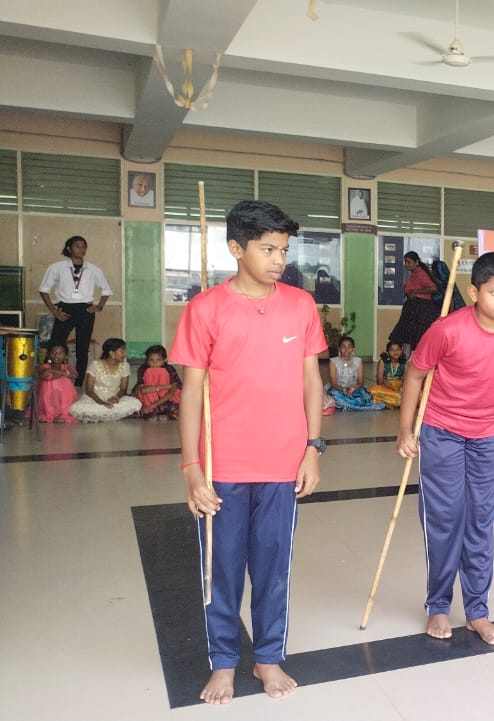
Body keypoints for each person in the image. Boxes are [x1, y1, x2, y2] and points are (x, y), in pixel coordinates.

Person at [170, 199, 327, 705]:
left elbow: (311, 381)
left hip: (283, 463)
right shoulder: (205, 309)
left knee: (273, 568)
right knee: (221, 567)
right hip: (223, 466)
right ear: (236, 249)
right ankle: (223, 662)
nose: (279, 259)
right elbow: (190, 394)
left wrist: (313, 447)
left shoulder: (300, 305)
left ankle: (267, 657)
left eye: (283, 250)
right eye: (267, 249)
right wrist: (192, 468)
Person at [396, 251, 494, 645]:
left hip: (487, 435)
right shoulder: (447, 330)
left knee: (481, 520)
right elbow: (414, 376)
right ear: (474, 292)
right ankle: (438, 605)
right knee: (445, 518)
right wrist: (406, 430)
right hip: (442, 432)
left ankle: (477, 610)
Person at [39, 235, 112, 384]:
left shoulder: (93, 269)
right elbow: (44, 290)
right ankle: (49, 378)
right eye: (77, 246)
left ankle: (78, 382)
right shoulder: (57, 267)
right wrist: (54, 311)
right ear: (69, 248)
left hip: (86, 310)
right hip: (65, 309)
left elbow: (106, 290)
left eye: (84, 246)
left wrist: (98, 306)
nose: (81, 249)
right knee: (55, 344)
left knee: (82, 348)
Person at [387, 251, 440, 352]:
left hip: (419, 309)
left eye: (409, 262)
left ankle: (408, 359)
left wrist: (415, 292)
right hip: (413, 309)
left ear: (417, 262)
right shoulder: (414, 274)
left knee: (410, 338)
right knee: (407, 338)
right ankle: (403, 360)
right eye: (405, 262)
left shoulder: (420, 274)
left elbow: (433, 288)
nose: (406, 265)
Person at [327, 336, 385, 411]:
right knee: (334, 397)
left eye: (349, 347)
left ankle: (349, 405)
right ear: (339, 349)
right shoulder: (333, 361)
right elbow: (333, 383)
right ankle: (351, 405)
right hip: (338, 390)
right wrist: (343, 389)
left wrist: (355, 387)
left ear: (353, 349)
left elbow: (361, 382)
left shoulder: (358, 361)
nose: (346, 349)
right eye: (343, 347)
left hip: (354, 390)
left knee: (366, 396)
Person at [133, 344, 181, 421]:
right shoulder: (143, 369)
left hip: (167, 398)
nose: (154, 363)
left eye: (158, 360)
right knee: (141, 392)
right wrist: (167, 386)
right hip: (149, 396)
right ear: (147, 361)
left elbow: (172, 392)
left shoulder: (169, 369)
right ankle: (154, 413)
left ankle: (163, 413)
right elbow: (143, 390)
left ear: (164, 360)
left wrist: (153, 406)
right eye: (151, 360)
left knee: (179, 404)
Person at [36, 342, 78, 423]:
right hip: (48, 395)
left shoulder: (68, 367)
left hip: (64, 395)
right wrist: (62, 373)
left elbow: (74, 375)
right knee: (50, 382)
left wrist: (52, 372)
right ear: (48, 355)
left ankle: (62, 413)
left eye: (60, 353)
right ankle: (51, 414)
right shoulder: (45, 367)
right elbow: (44, 376)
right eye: (53, 353)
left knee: (64, 381)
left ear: (66, 356)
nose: (56, 355)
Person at [369, 341, 407, 408]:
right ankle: (401, 400)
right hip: (386, 387)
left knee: (419, 393)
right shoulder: (383, 362)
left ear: (401, 351)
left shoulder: (405, 363)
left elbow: (406, 380)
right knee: (373, 390)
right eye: (392, 350)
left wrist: (402, 388)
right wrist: (393, 390)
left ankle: (394, 400)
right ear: (387, 352)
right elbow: (379, 382)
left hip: (400, 387)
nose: (395, 352)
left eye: (398, 349)